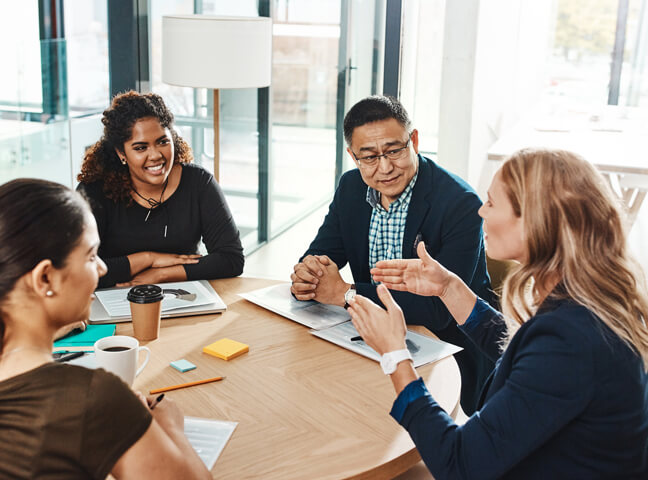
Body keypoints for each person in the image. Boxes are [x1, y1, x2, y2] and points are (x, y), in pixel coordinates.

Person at [348, 148, 648, 478]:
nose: (481, 211)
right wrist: (449, 288)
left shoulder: (572, 339)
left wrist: (395, 355)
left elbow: (460, 464)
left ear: (534, 220)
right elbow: (522, 354)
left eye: (491, 202)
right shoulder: (588, 300)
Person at [290, 95, 494, 414]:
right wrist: (308, 275)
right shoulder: (351, 188)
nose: (384, 168)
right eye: (369, 157)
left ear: (413, 140)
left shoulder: (460, 203)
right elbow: (322, 254)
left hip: (445, 349)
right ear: (352, 155)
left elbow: (440, 310)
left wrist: (346, 294)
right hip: (370, 342)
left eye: (394, 151)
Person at [0, 178, 211, 479]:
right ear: (44, 278)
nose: (101, 268)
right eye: (90, 256)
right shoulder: (91, 399)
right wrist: (172, 428)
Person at [77, 91, 244, 288]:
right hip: (114, 299)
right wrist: (148, 259)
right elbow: (77, 271)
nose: (156, 155)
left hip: (184, 297)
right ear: (121, 153)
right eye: (140, 148)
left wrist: (161, 275)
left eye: (163, 142)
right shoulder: (93, 191)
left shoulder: (198, 182)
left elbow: (231, 259)